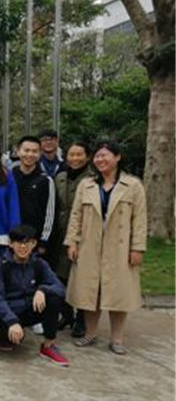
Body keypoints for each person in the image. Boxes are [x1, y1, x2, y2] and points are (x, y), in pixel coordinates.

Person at [65, 140, 147, 355]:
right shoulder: (87, 185)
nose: (100, 160)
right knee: (90, 290)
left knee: (118, 293)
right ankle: (90, 333)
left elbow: (140, 220)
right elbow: (76, 215)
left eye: (105, 155)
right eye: (97, 156)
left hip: (119, 247)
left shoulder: (133, 185)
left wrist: (137, 248)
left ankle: (117, 339)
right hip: (89, 245)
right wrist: (72, 241)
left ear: (117, 157)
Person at [0, 224, 70, 366]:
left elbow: (60, 288)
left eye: (28, 242)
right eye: (19, 242)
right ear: (11, 243)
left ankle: (48, 345)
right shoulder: (2, 265)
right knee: (8, 343)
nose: (23, 247)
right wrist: (12, 321)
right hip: (9, 312)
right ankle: (7, 334)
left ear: (34, 244)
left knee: (54, 298)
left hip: (30, 308)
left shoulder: (39, 264)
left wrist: (42, 290)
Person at [53, 141, 92, 337]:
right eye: (71, 154)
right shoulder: (60, 177)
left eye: (79, 154)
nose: (75, 158)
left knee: (81, 278)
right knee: (60, 276)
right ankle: (66, 314)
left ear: (87, 156)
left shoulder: (93, 179)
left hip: (85, 234)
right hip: (61, 233)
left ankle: (82, 318)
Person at [12, 136, 56, 257]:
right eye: (26, 150)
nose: (30, 154)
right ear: (18, 151)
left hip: (34, 241)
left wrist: (43, 241)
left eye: (34, 151)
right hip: (12, 238)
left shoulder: (46, 180)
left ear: (40, 154)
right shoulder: (10, 176)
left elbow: (50, 214)